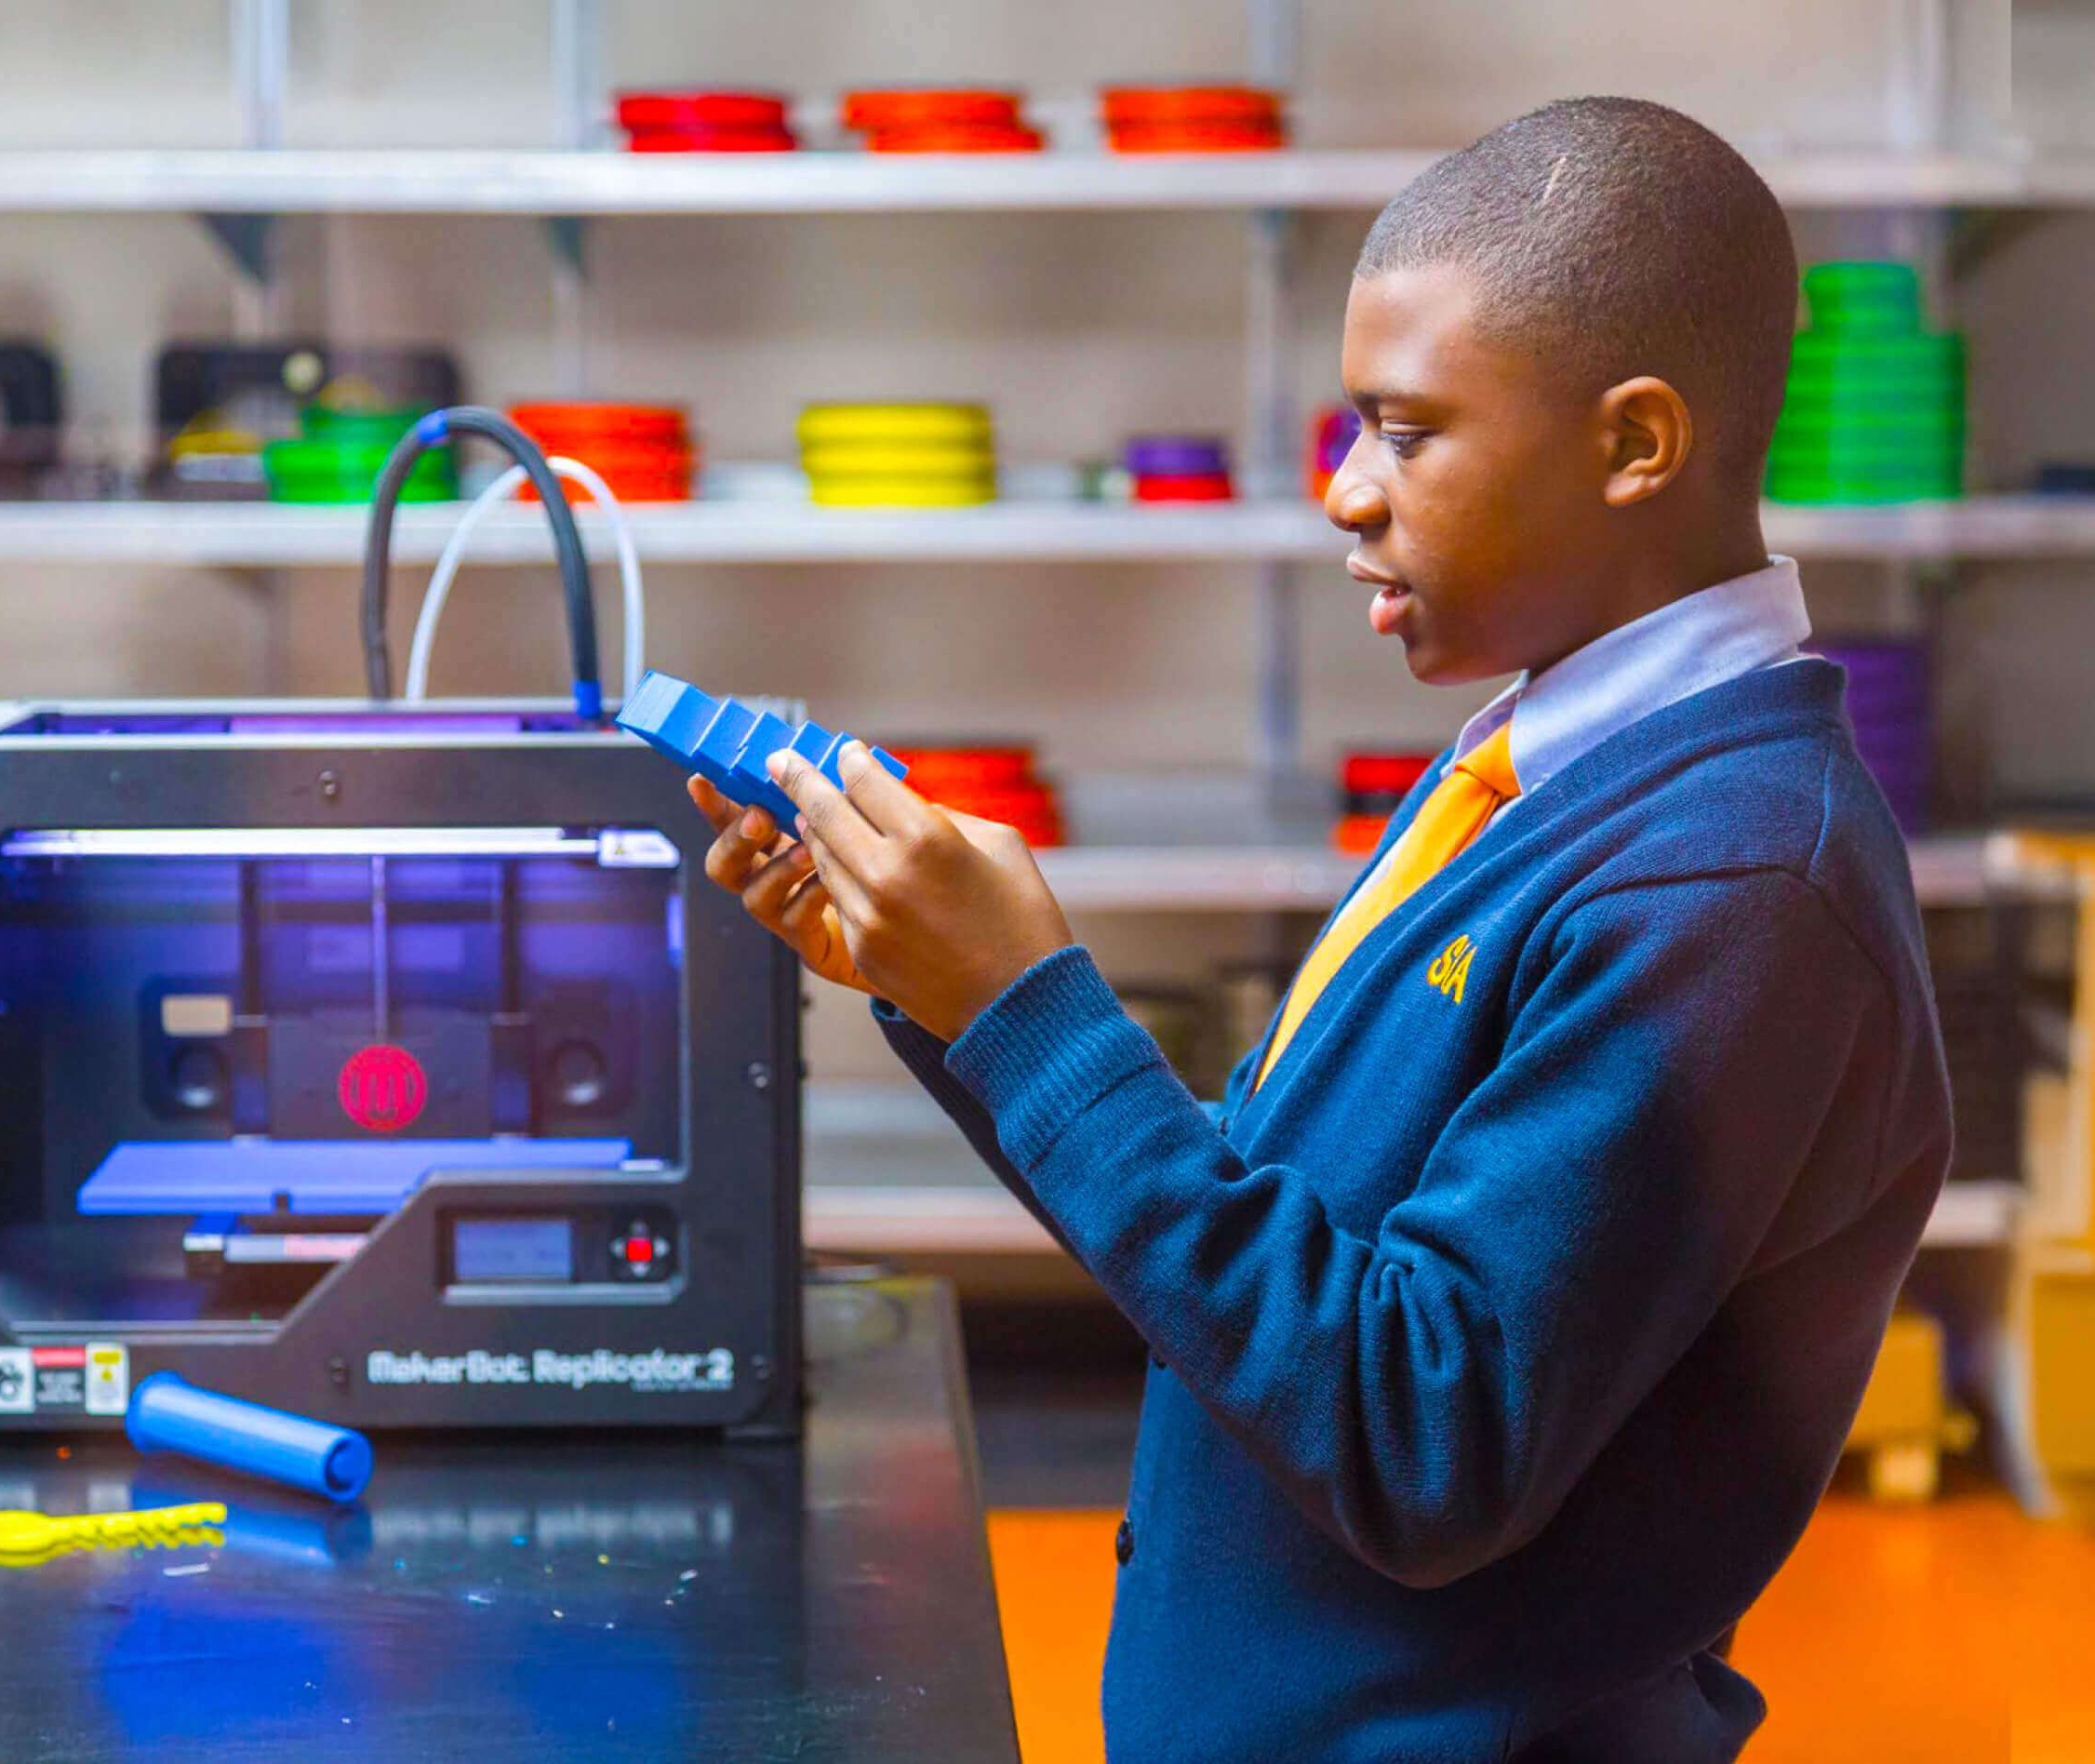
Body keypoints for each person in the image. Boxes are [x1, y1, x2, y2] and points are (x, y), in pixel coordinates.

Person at [690, 95, 1951, 1763]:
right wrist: (954, 1001)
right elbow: (1275, 1220)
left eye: (1406, 433)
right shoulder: (1547, 775)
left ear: (1636, 445)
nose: (1347, 493)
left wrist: (1031, 1009)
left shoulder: (1730, 885)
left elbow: (1426, 1436)